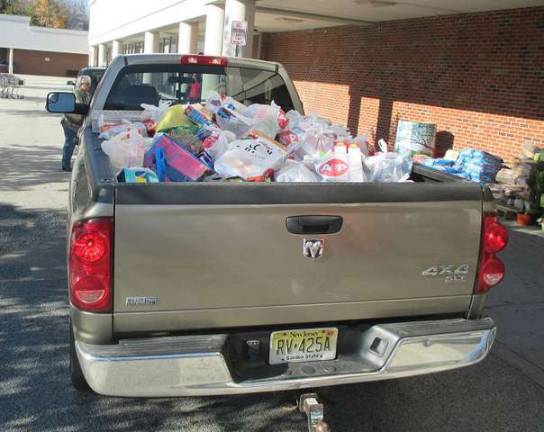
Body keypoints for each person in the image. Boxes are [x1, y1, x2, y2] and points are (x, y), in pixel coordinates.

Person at [61, 75, 91, 171]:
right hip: (69, 122)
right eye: (85, 84)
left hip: (79, 123)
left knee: (78, 143)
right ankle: (65, 165)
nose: (87, 86)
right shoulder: (76, 94)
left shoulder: (87, 94)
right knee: (70, 143)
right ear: (79, 84)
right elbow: (78, 108)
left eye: (88, 84)